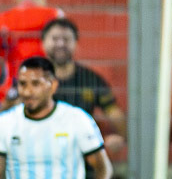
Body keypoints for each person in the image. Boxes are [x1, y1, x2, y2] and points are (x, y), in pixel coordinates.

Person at [41, 18, 128, 154]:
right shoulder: (32, 79)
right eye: (55, 38)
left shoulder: (90, 79)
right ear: (43, 43)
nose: (60, 44)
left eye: (66, 39)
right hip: (42, 151)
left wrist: (122, 138)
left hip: (82, 153)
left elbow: (114, 112)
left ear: (76, 44)